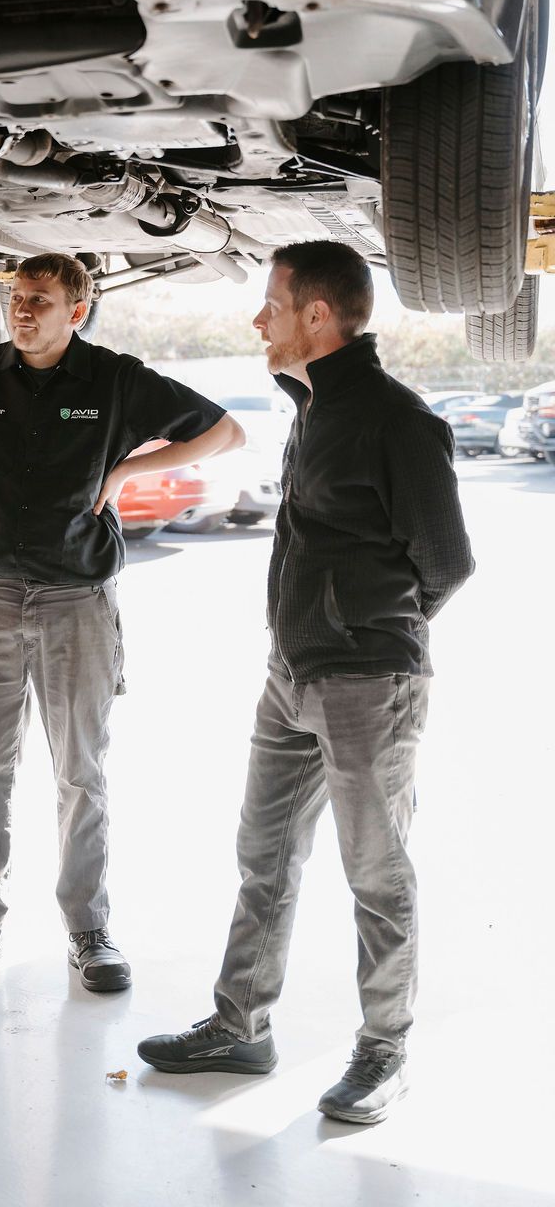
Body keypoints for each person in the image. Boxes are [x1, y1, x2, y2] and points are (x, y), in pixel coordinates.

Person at [138, 241, 474, 1124]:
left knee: (376, 875)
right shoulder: (313, 405)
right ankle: (240, 1025)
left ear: (317, 315)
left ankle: (385, 1049)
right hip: (290, 677)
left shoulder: (395, 420)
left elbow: (447, 562)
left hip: (366, 685)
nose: (259, 321)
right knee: (265, 856)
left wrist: (367, 634)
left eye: (273, 305)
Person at [0, 252, 243, 993]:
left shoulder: (114, 380)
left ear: (76, 311)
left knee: (81, 772)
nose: (22, 309)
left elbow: (225, 433)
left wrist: (127, 470)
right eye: (15, 297)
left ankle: (88, 928)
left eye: (38, 299)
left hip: (77, 602)